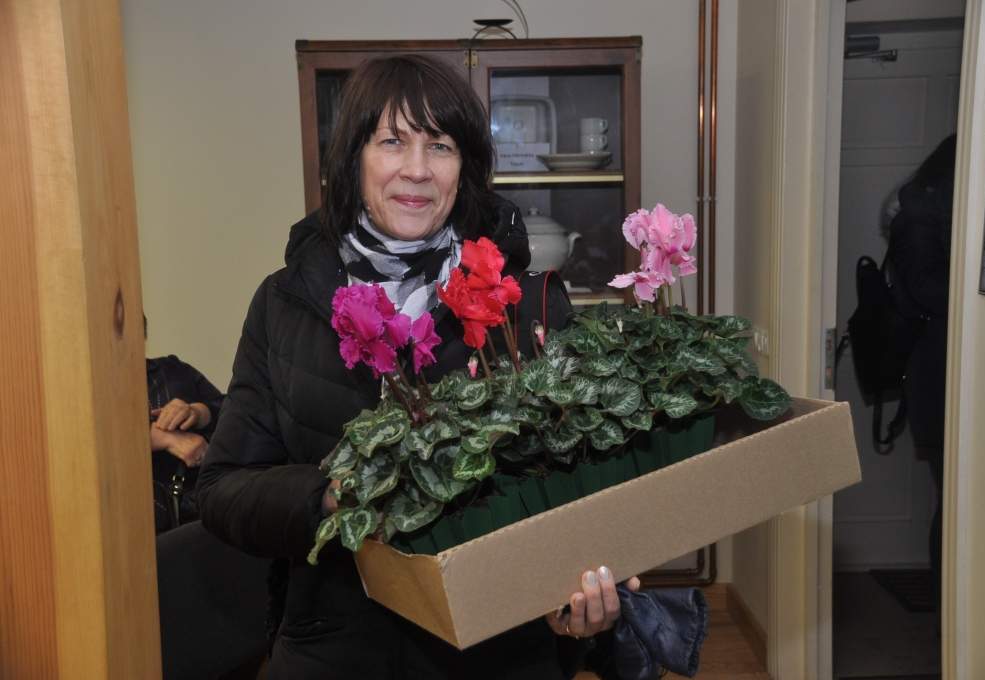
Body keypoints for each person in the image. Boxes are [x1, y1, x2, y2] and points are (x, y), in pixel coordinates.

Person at [197, 54, 638, 679]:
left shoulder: (527, 301)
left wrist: (580, 604)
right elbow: (222, 487)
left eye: (441, 145)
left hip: (496, 645)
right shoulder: (285, 302)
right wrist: (326, 498)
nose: (417, 170)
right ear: (353, 158)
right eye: (391, 141)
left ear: (467, 169)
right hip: (336, 641)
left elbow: (586, 492)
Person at [887, 134, 955, 605]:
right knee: (953, 503)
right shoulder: (920, 221)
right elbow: (928, 293)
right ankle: (948, 621)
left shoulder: (929, 215)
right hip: (938, 375)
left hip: (940, 371)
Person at [146, 317, 225, 533]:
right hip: (131, 533)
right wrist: (160, 438)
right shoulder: (76, 387)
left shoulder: (172, 371)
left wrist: (199, 413)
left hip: (200, 519)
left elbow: (237, 414)